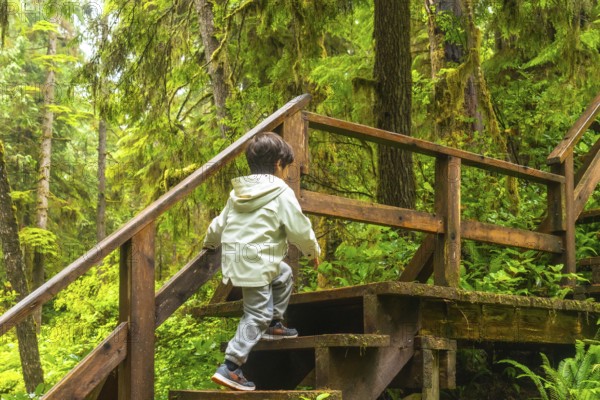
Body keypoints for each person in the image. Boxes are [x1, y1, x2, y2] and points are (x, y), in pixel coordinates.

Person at [203, 132, 320, 391]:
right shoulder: (280, 191)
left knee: (283, 274)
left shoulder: (238, 194)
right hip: (256, 262)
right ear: (279, 163)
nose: (286, 173)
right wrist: (312, 251)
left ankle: (275, 324)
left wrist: (209, 243)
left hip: (242, 260)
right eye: (286, 167)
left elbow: (218, 224)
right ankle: (231, 366)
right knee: (256, 314)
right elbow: (299, 229)